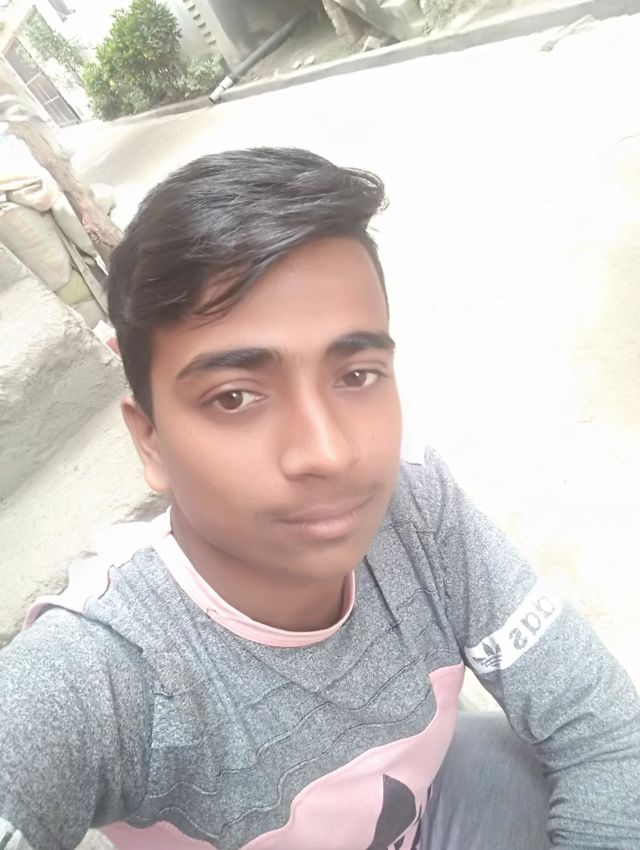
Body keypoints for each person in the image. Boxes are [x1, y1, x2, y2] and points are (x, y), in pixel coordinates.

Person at [0, 148, 638, 850]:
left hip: (439, 808)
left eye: (356, 375)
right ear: (149, 440)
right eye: (235, 397)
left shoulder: (417, 508)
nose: (329, 453)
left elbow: (604, 731)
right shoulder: (105, 673)